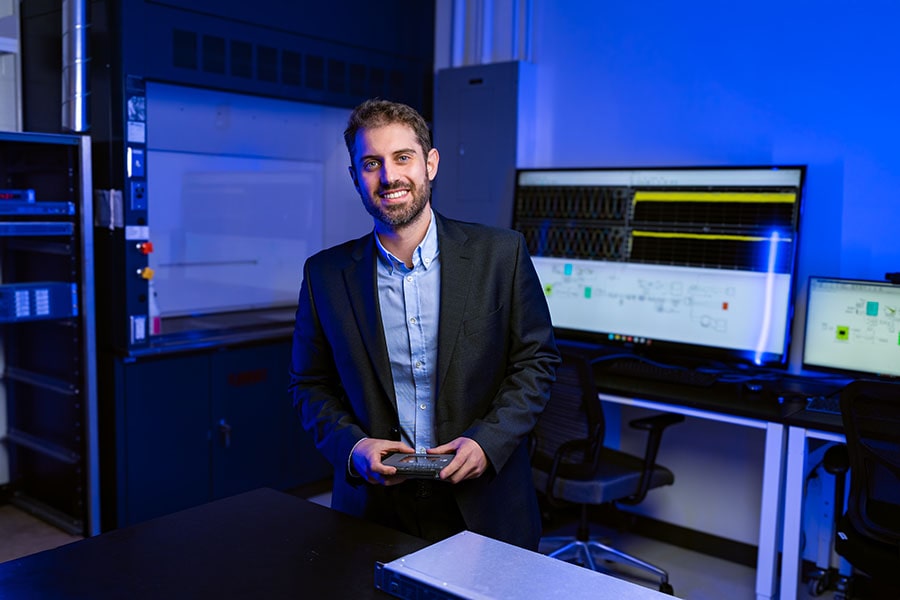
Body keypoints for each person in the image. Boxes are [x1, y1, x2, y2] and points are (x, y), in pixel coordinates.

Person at [288, 98, 559, 550]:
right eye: (371, 163)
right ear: (355, 177)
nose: (389, 176)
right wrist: (353, 450)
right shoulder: (324, 276)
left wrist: (488, 443)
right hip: (375, 511)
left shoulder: (501, 255)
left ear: (430, 164)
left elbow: (536, 361)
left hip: (486, 506)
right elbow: (308, 385)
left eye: (403, 158)